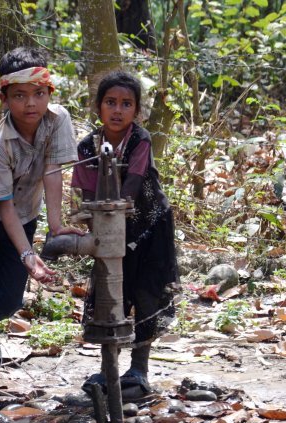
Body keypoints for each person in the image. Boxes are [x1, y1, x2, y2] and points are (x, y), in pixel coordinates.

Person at [0, 47, 84, 406]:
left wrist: (56, 224)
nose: (31, 103)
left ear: (49, 94)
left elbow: (54, 171)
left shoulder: (58, 120)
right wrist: (29, 255)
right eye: (20, 96)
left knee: (10, 300)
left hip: (25, 215)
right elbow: (4, 206)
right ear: (5, 99)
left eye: (39, 94)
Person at [70, 71, 179, 397]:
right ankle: (108, 370)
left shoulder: (139, 140)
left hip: (148, 227)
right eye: (111, 103)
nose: (118, 110)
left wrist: (115, 210)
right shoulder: (87, 146)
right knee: (111, 296)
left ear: (136, 111)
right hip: (107, 229)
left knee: (145, 294)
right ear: (99, 107)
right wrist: (98, 229)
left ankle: (139, 371)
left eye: (126, 104)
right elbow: (85, 191)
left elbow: (133, 181)